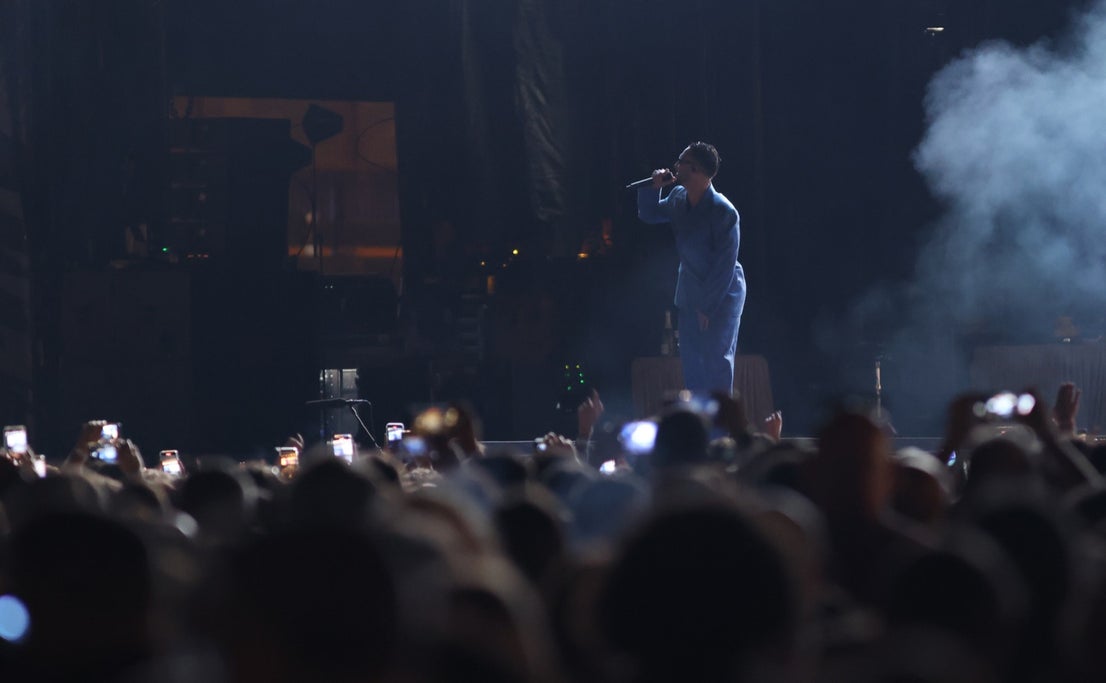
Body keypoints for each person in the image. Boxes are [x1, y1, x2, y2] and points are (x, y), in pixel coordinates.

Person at [638, 142, 746, 393]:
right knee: (692, 365)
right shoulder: (677, 198)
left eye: (681, 162)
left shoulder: (724, 211)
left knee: (717, 363)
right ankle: (700, 425)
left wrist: (707, 307)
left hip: (722, 295)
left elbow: (724, 265)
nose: (675, 166)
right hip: (689, 292)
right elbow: (649, 214)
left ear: (695, 169)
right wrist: (652, 188)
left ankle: (720, 429)